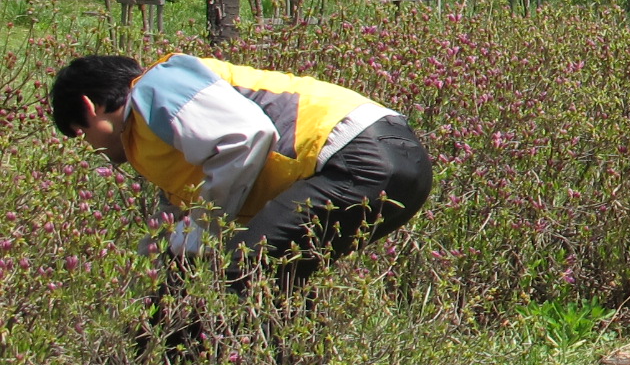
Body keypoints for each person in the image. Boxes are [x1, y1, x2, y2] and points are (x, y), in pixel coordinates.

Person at [48, 51, 431, 293]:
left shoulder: (156, 87)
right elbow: (175, 214)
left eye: (80, 132)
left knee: (235, 276)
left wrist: (202, 228)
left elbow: (246, 136)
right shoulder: (149, 138)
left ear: (89, 106)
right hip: (395, 164)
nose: (89, 146)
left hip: (356, 157)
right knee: (271, 286)